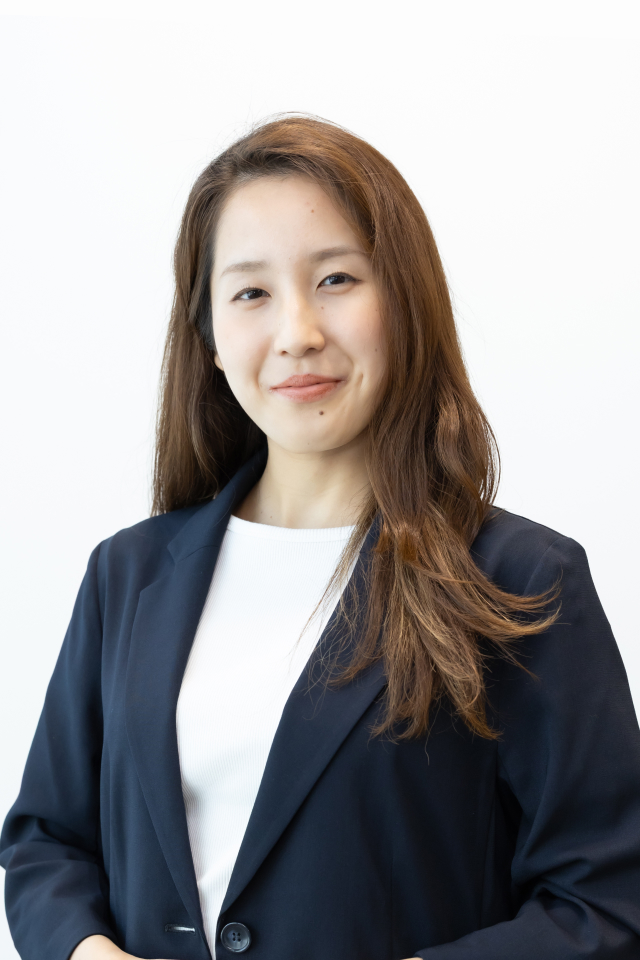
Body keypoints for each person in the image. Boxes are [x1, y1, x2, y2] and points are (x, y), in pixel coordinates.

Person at [2, 115, 639, 960]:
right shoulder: (128, 573)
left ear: (403, 301)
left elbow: (606, 902)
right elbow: (45, 840)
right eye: (251, 293)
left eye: (336, 279)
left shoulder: (522, 579)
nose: (298, 332)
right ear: (209, 336)